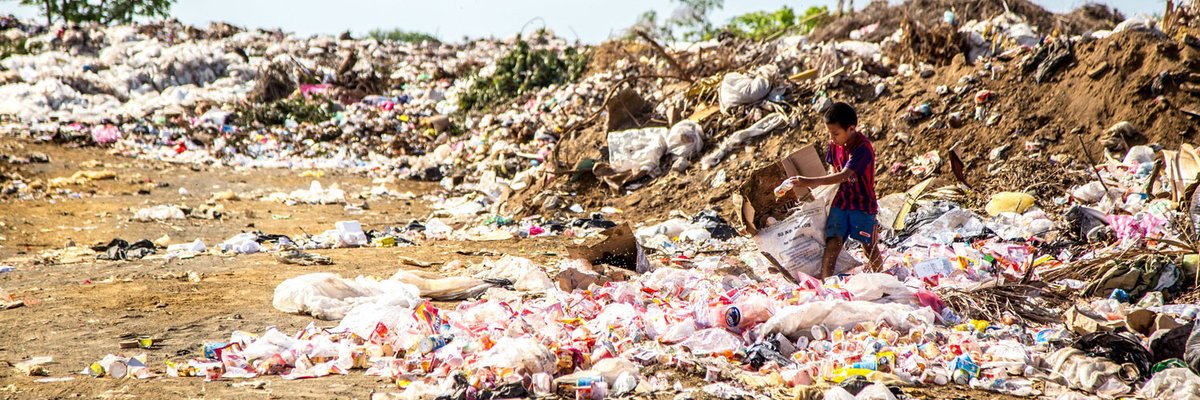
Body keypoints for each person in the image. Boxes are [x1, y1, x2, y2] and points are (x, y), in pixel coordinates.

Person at [783, 102, 881, 278]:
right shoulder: (834, 145)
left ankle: (882, 279)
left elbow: (843, 175)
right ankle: (825, 283)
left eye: (836, 133)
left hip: (861, 204)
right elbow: (832, 170)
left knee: (869, 246)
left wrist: (807, 181)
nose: (832, 138)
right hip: (841, 202)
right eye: (830, 133)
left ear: (851, 129)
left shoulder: (862, 149)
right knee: (833, 242)